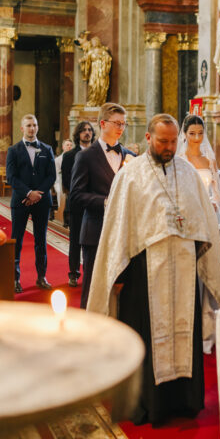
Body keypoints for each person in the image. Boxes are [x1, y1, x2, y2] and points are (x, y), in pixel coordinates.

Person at [87, 114, 220, 426]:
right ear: (149, 138)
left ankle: (184, 401)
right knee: (146, 335)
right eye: (163, 141)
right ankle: (147, 405)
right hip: (145, 272)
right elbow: (118, 231)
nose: (169, 147)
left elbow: (204, 221)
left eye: (174, 141)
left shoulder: (188, 173)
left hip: (185, 270)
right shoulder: (130, 176)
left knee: (184, 331)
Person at [69, 103, 135, 307]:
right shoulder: (85, 156)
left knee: (122, 285)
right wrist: (104, 202)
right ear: (103, 123)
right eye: (117, 123)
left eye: (124, 124)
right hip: (95, 229)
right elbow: (76, 195)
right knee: (92, 286)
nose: (121, 128)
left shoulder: (129, 156)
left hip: (124, 231)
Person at [6, 114, 56, 293]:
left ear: (37, 127)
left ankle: (41, 277)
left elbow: (51, 175)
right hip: (21, 200)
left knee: (41, 240)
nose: (32, 128)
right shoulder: (13, 150)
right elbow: (11, 177)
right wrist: (28, 193)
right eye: (28, 125)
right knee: (16, 240)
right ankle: (14, 279)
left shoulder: (47, 149)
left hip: (42, 201)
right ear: (22, 128)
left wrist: (37, 194)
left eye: (34, 125)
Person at [61, 121, 95, 286]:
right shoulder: (69, 156)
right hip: (77, 203)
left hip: (95, 204)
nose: (87, 133)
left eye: (89, 130)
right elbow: (67, 181)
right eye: (83, 131)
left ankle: (93, 272)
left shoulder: (98, 154)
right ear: (78, 134)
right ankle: (73, 273)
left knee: (94, 239)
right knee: (75, 240)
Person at [177, 114, 220, 229]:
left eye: (200, 133)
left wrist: (214, 203)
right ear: (185, 134)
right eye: (192, 134)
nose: (197, 138)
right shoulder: (179, 160)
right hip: (186, 212)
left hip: (207, 212)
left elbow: (217, 192)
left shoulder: (210, 161)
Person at [78, 31, 112, 107]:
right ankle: (93, 101)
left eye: (95, 42)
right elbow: (86, 58)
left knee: (101, 85)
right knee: (93, 84)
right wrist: (82, 61)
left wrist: (103, 59)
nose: (94, 43)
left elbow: (108, 58)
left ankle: (100, 101)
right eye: (93, 42)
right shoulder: (91, 51)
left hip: (101, 70)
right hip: (94, 70)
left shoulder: (103, 50)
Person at [54, 138, 73, 221]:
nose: (69, 147)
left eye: (71, 145)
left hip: (71, 181)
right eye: (67, 145)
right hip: (58, 181)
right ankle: (61, 212)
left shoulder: (75, 157)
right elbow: (57, 174)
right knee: (60, 191)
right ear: (63, 147)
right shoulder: (57, 160)